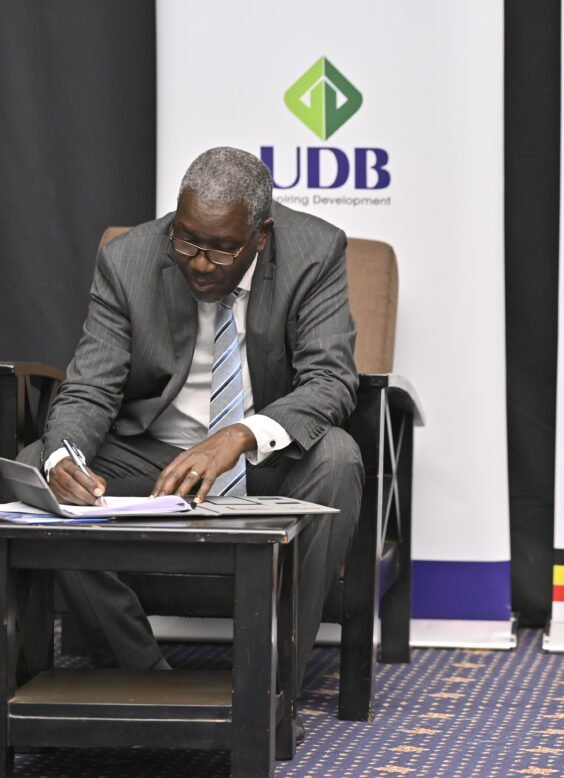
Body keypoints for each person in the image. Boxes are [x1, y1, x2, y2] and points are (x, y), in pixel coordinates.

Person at [18, 147, 362, 719]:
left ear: (262, 234)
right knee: (38, 461)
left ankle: (271, 692)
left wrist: (238, 436)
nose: (199, 263)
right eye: (186, 241)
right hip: (155, 462)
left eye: (222, 248)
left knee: (339, 457)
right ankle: (143, 678)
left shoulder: (314, 252)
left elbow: (330, 381)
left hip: (259, 460)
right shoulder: (127, 260)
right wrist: (65, 456)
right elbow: (90, 386)